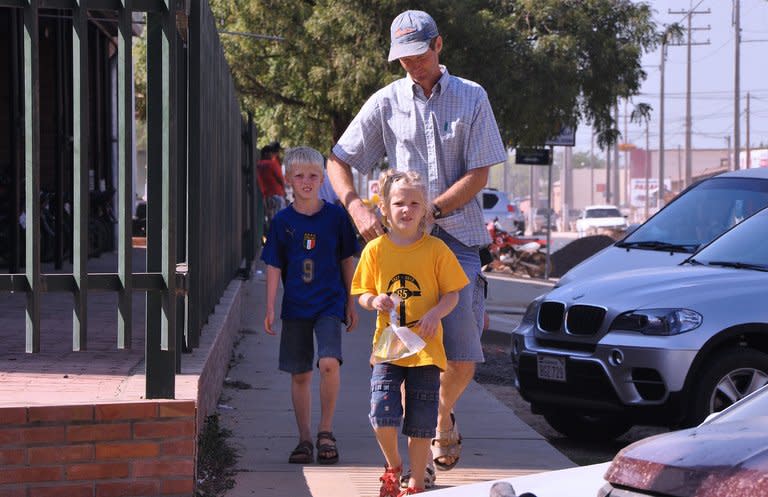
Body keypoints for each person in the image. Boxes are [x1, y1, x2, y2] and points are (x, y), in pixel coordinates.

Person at [327, 9, 507, 478]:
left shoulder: (472, 97)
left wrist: (435, 211)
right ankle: (419, 461)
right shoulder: (386, 102)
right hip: (402, 247)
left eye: (418, 54)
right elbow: (338, 160)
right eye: (402, 57)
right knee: (407, 356)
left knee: (463, 358)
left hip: (459, 241)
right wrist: (357, 208)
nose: (411, 64)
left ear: (438, 46)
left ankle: (442, 414)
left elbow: (480, 172)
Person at [351, 170, 468, 497]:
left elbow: (453, 294)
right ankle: (393, 466)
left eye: (414, 203)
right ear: (384, 209)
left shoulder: (436, 250)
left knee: (421, 421)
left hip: (426, 351)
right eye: (399, 202)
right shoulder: (375, 250)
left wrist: (435, 313)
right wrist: (373, 300)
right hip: (389, 348)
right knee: (382, 412)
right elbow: (361, 293)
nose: (407, 209)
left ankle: (416, 482)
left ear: (425, 209)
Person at [261, 146, 359, 465]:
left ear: (322, 180)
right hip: (296, 306)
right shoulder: (282, 222)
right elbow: (274, 264)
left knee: (329, 362)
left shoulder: (336, 217)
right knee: (300, 372)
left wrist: (352, 301)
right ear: (288, 178)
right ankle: (304, 438)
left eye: (313, 176)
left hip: (330, 302)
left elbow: (347, 259)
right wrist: (270, 306)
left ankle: (325, 430)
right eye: (299, 175)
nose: (306, 181)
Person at [257, 141, 287, 224]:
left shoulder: (258, 164)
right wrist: (284, 193)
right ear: (266, 153)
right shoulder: (272, 163)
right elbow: (280, 179)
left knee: (271, 218)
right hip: (276, 194)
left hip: (267, 196)